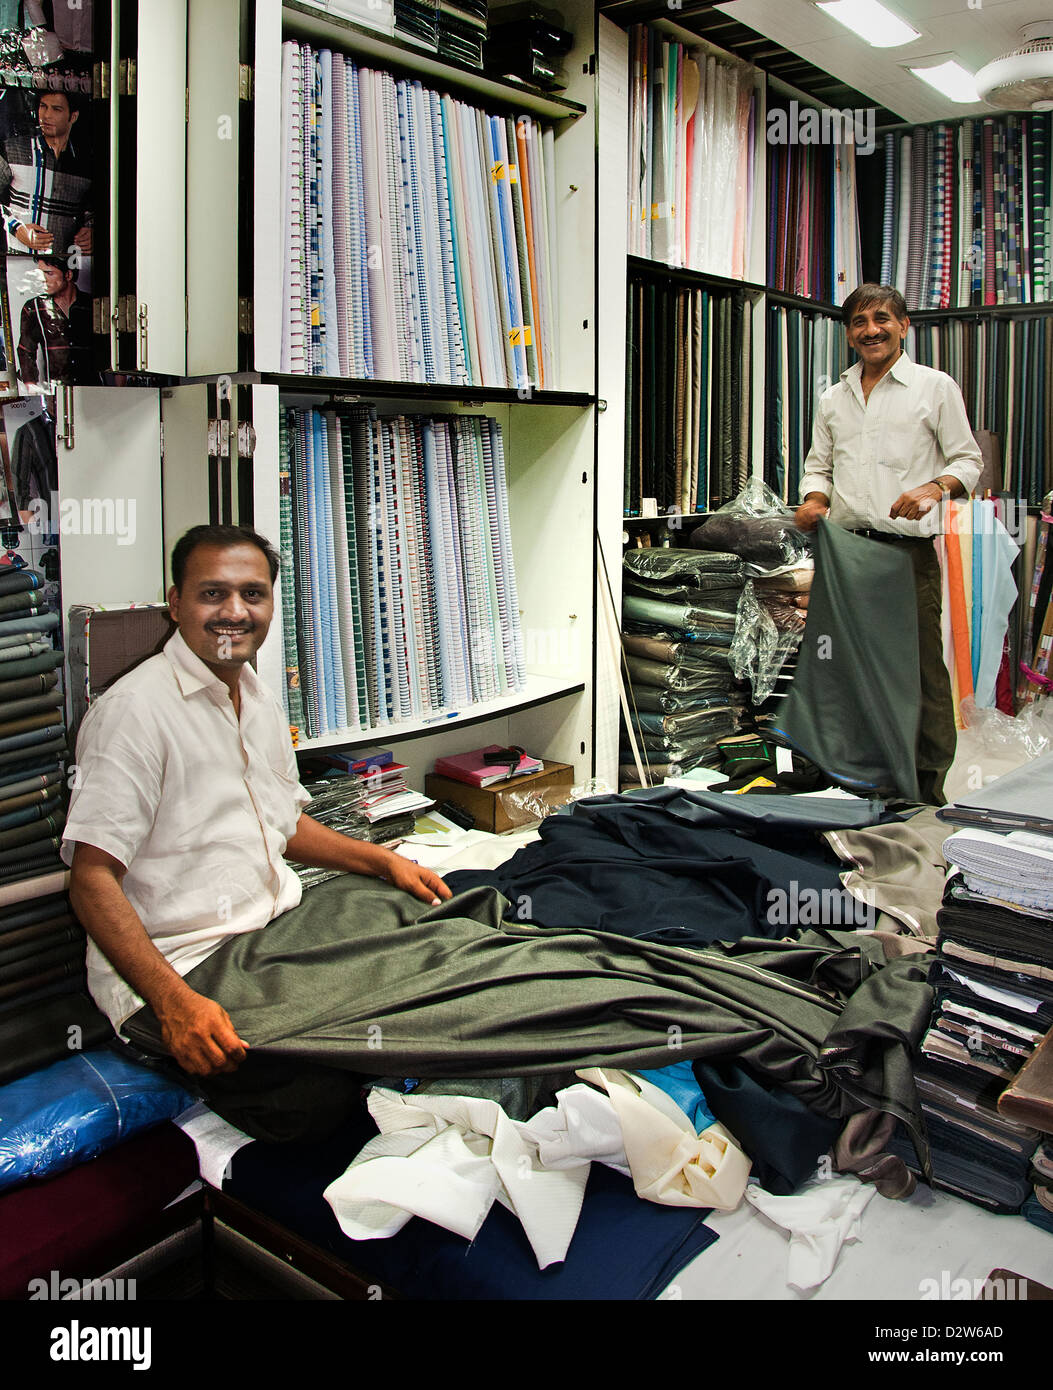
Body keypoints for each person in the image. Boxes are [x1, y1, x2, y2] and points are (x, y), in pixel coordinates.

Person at [63, 524, 452, 1081]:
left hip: (275, 932)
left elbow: (283, 824)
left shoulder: (256, 695)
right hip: (190, 965)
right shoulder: (134, 713)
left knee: (443, 933)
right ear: (175, 603)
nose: (234, 612)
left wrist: (384, 860)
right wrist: (174, 1007)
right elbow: (92, 878)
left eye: (253, 593)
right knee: (314, 1090)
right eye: (212, 593)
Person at [794, 283, 982, 805]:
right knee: (847, 667)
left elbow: (968, 461)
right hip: (847, 553)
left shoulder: (933, 388)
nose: (870, 329)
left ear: (903, 325)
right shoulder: (834, 397)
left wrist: (933, 488)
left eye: (881, 318)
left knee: (920, 672)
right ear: (848, 332)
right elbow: (819, 466)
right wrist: (814, 500)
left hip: (905, 556)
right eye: (858, 321)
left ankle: (925, 790)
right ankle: (863, 779)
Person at [0, 90, 92, 257]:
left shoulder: (85, 163)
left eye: (56, 109)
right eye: (43, 106)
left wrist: (92, 231)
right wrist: (16, 227)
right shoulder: (13, 150)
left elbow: (97, 209)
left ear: (73, 117)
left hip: (67, 266)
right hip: (16, 262)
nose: (46, 115)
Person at [17, 253, 92, 386]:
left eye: (49, 273)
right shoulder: (33, 308)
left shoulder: (92, 304)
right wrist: (31, 386)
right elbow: (26, 352)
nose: (42, 279)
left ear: (68, 275)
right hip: (55, 391)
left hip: (93, 389)